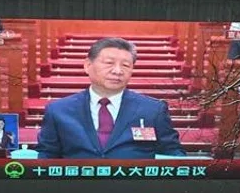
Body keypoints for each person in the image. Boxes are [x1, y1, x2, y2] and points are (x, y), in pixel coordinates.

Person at [34, 37, 186, 159]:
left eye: (125, 65)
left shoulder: (153, 110)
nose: (117, 71)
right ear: (87, 65)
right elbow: (46, 156)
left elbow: (173, 154)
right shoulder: (59, 110)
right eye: (109, 63)